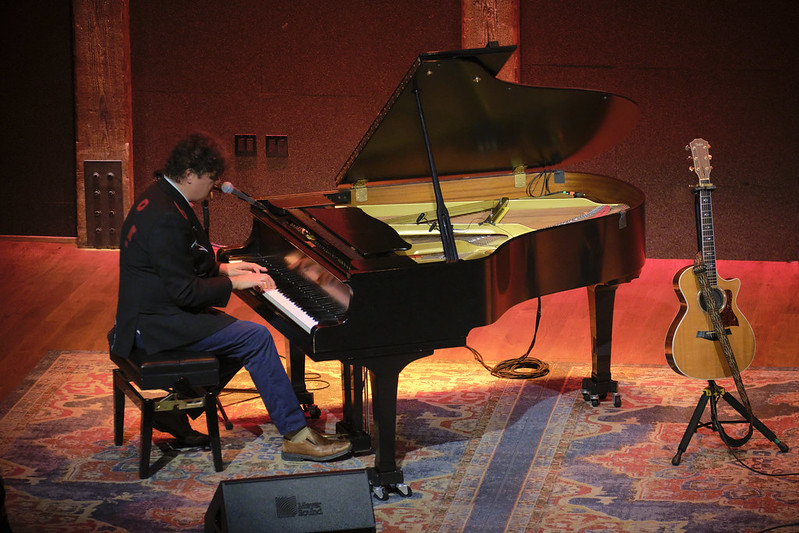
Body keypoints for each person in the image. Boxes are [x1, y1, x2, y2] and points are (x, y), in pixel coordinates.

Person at [109, 133, 351, 462]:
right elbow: (184, 291)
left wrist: (228, 268)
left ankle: (177, 408)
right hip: (154, 324)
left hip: (153, 311)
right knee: (254, 337)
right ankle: (297, 435)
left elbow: (183, 263)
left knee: (237, 336)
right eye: (210, 180)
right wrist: (234, 284)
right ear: (190, 174)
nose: (213, 188)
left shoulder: (161, 196)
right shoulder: (167, 217)